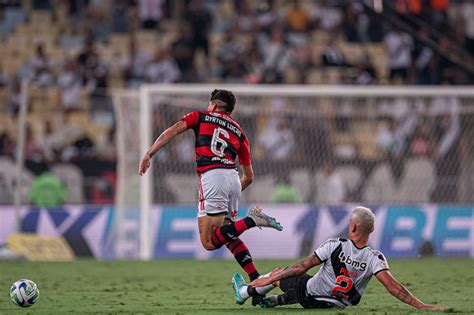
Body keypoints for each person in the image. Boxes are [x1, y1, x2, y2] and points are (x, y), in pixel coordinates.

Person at [138, 89, 283, 286]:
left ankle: (251, 220)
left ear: (213, 105)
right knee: (228, 235)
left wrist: (149, 154)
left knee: (208, 242)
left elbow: (171, 131)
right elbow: (249, 177)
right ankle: (256, 279)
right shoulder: (240, 132)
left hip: (213, 176)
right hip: (233, 179)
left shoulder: (200, 116)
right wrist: (231, 190)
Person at [232, 206, 448, 311]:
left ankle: (244, 293)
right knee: (308, 282)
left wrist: (269, 279)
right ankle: (274, 301)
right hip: (335, 305)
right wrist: (423, 306)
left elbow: (300, 267)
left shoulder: (335, 245)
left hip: (311, 297)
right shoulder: (375, 258)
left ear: (352, 226)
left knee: (282, 273)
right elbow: (394, 288)